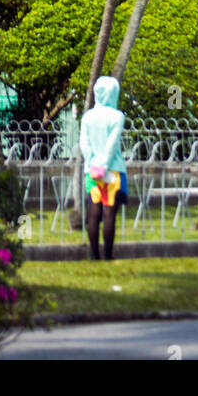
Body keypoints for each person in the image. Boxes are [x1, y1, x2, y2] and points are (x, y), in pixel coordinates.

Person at [79, 75, 127, 260]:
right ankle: (107, 255)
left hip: (91, 171)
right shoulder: (117, 116)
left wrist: (92, 163)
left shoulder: (88, 116)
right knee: (109, 213)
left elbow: (84, 143)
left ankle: (94, 254)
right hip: (112, 171)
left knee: (94, 211)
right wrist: (104, 165)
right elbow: (112, 145)